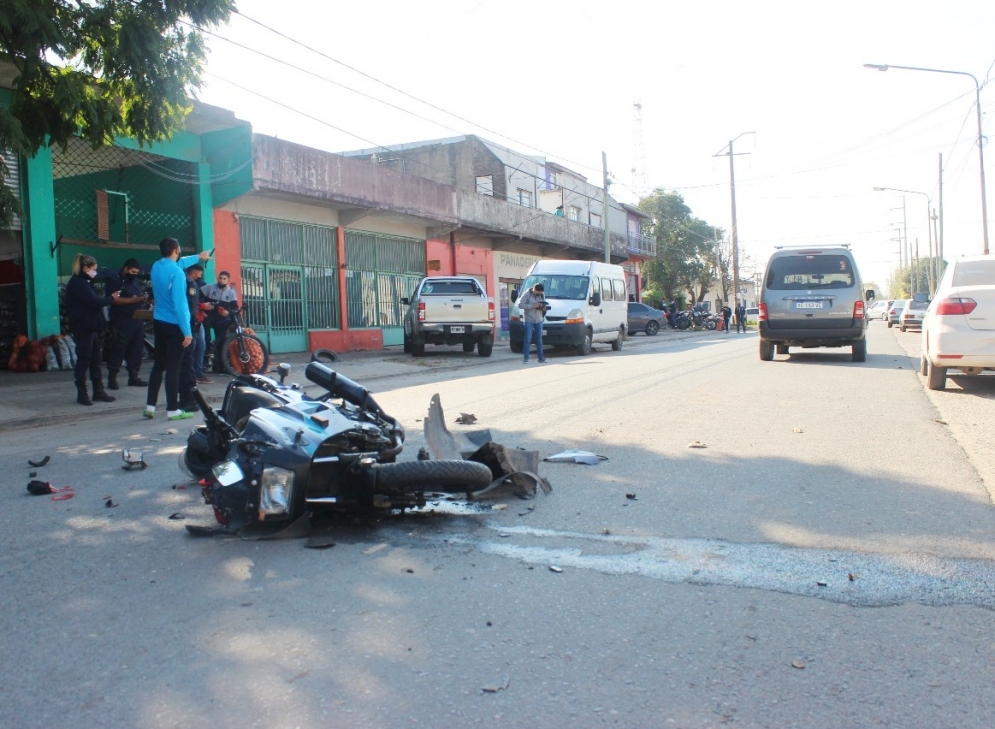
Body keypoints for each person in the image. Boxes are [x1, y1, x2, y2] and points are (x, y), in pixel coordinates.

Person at [144, 239, 211, 421]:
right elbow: (181, 305)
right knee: (174, 368)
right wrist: (187, 331)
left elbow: (179, 263)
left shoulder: (157, 266)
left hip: (159, 322)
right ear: (176, 249)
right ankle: (172, 409)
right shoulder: (178, 274)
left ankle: (150, 406)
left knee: (159, 365)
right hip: (175, 325)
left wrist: (198, 256)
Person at [65, 253, 122, 405]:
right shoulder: (79, 283)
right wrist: (112, 298)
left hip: (93, 327)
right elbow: (94, 302)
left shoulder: (84, 282)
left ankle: (98, 391)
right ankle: (82, 393)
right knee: (84, 360)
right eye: (93, 269)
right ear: (85, 268)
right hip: (84, 328)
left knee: (95, 360)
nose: (95, 272)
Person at [105, 258, 150, 390]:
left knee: (136, 350)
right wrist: (131, 300)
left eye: (136, 272)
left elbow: (138, 296)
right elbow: (112, 300)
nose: (134, 274)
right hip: (121, 320)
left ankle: (133, 376)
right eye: (132, 271)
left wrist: (143, 299)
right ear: (125, 268)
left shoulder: (135, 281)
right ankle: (112, 378)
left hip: (137, 320)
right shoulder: (115, 281)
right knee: (118, 349)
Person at [178, 264, 210, 412]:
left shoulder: (188, 282)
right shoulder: (189, 283)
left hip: (190, 323)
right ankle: (188, 399)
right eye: (198, 273)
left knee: (199, 348)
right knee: (187, 359)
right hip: (189, 325)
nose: (199, 276)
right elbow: (189, 307)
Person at [201, 270, 239, 373]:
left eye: (224, 278)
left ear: (228, 280)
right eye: (220, 278)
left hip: (222, 321)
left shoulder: (231, 293)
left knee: (222, 342)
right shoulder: (209, 287)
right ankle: (202, 365)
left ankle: (221, 367)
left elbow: (235, 308)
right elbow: (198, 298)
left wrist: (228, 312)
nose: (221, 280)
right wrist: (201, 310)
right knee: (205, 340)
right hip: (208, 317)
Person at [517, 282, 548, 364]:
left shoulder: (542, 294)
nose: (540, 293)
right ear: (535, 290)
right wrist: (532, 306)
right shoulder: (527, 294)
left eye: (541, 292)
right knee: (527, 339)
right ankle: (526, 359)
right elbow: (520, 305)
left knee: (539, 340)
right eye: (539, 292)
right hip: (529, 320)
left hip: (539, 320)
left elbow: (544, 303)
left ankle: (541, 358)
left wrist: (544, 308)